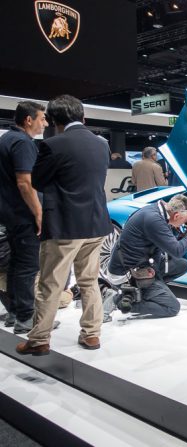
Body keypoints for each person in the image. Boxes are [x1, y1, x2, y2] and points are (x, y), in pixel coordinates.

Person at [16, 94, 113, 355]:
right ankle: (92, 335)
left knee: (50, 284)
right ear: (83, 117)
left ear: (55, 120)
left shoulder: (53, 145)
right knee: (89, 281)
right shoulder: (102, 144)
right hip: (96, 225)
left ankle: (38, 340)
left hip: (64, 226)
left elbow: (38, 181)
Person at [107, 194, 187, 318]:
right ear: (176, 215)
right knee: (172, 307)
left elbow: (169, 243)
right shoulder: (153, 220)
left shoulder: (159, 210)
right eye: (186, 220)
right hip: (128, 274)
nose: (186, 222)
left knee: (182, 265)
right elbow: (177, 250)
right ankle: (117, 301)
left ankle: (151, 290)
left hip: (145, 263)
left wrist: (185, 229)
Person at [0, 101, 48, 333]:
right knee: (29, 266)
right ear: (29, 120)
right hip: (23, 214)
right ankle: (26, 318)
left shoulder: (6, 139)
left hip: (9, 213)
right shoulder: (23, 143)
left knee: (17, 264)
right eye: (42, 118)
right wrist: (38, 213)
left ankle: (14, 313)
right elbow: (24, 183)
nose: (45, 123)